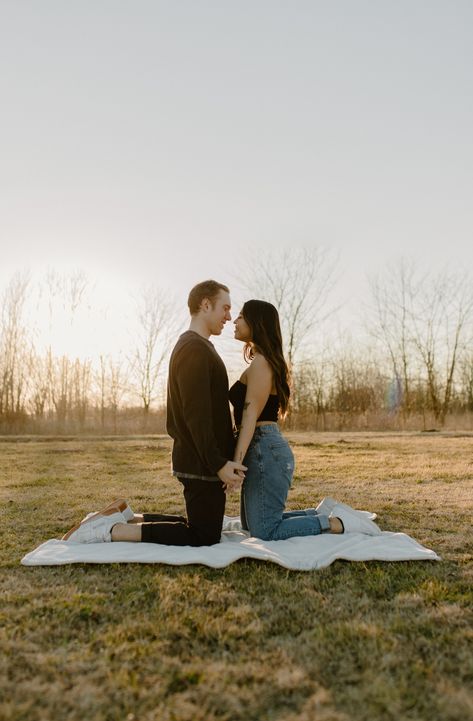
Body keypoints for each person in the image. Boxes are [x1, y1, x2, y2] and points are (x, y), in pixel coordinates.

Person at [62, 280, 246, 545]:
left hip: (202, 460)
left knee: (201, 526)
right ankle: (111, 531)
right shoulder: (194, 349)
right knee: (203, 536)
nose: (229, 316)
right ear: (206, 305)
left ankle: (128, 517)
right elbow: (197, 417)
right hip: (200, 462)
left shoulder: (200, 346)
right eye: (225, 308)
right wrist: (218, 464)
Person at [229, 299, 382, 540]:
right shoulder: (263, 361)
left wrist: (235, 464)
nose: (234, 321)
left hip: (264, 450)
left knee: (265, 531)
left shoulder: (261, 363)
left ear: (256, 322)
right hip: (262, 449)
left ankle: (337, 523)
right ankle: (323, 512)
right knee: (252, 525)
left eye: (240, 316)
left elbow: (250, 416)